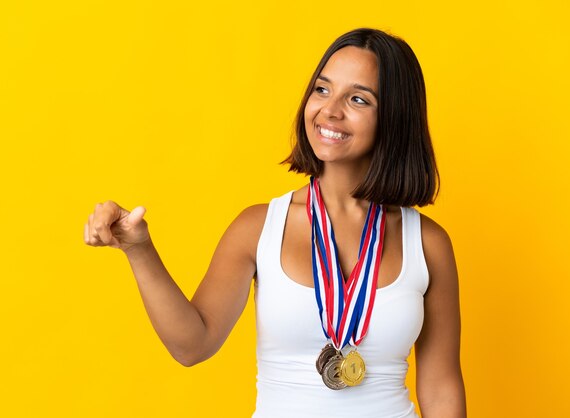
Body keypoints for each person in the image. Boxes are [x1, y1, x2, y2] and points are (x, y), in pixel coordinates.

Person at [84, 28, 466, 417]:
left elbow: (441, 386)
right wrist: (139, 249)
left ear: (396, 117)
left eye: (357, 99)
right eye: (321, 90)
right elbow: (192, 346)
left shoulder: (428, 243)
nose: (330, 110)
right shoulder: (258, 227)